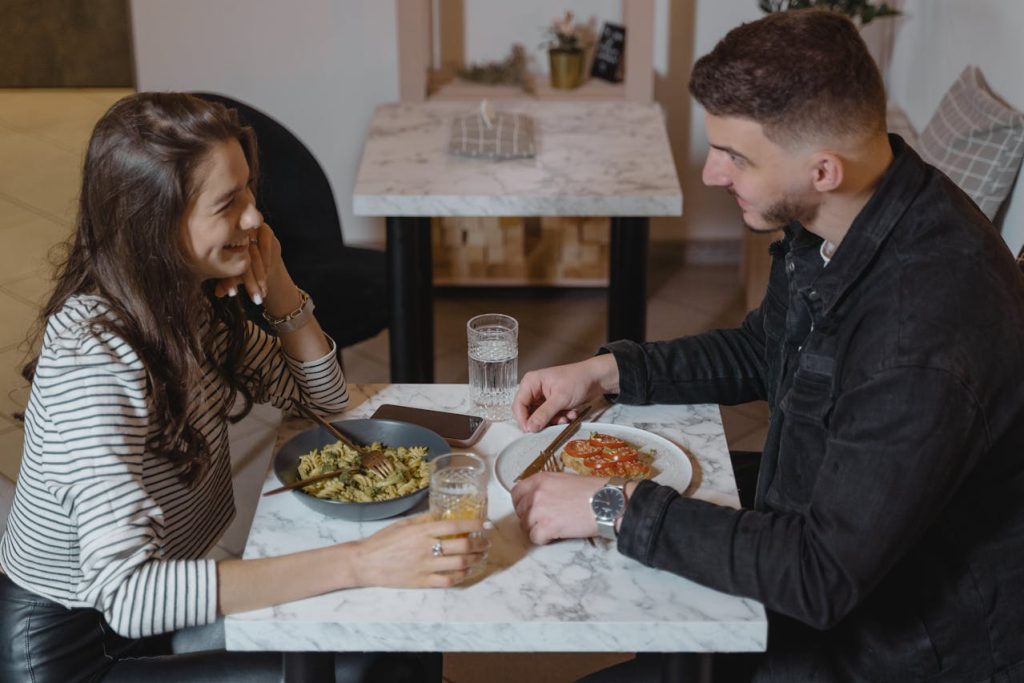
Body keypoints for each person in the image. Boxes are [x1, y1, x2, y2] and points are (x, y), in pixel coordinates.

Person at [511, 10, 1024, 682]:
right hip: (814, 556)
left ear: (823, 169)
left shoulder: (921, 329)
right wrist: (607, 370)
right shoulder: (846, 211)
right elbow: (764, 347)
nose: (709, 174)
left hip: (885, 646)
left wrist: (612, 503)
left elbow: (821, 573)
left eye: (734, 156)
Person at [0, 92, 487, 682]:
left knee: (395, 633)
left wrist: (279, 283)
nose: (255, 218)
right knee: (364, 659)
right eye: (228, 204)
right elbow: (125, 594)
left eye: (249, 192)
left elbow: (323, 400)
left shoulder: (185, 304)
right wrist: (361, 561)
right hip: (81, 651)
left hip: (150, 617)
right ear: (154, 223)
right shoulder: (95, 358)